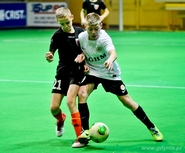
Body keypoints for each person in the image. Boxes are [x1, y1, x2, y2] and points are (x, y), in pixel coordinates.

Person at [75, 12, 163, 143]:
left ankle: (151, 127)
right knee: (82, 93)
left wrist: (110, 60)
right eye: (90, 29)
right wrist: (83, 61)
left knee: (127, 101)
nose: (94, 32)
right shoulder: (81, 37)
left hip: (109, 72)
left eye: (96, 28)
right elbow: (80, 50)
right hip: (93, 71)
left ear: (101, 25)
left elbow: (113, 53)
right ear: (85, 26)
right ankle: (86, 131)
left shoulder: (104, 38)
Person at [45, 7, 90, 148]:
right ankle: (61, 119)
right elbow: (51, 52)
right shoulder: (57, 35)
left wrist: (85, 61)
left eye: (67, 22)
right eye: (61, 24)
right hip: (62, 72)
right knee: (53, 108)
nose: (65, 26)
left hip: (76, 71)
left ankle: (80, 136)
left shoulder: (81, 33)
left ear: (71, 17)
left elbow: (88, 51)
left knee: (71, 101)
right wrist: (49, 56)